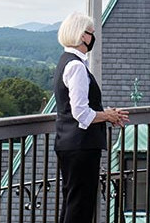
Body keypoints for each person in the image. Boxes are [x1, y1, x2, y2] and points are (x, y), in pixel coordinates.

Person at [53, 12, 129, 223]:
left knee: (72, 201)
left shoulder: (65, 61)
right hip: (81, 145)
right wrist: (107, 115)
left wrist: (105, 115)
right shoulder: (76, 66)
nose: (93, 37)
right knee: (80, 205)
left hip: (67, 142)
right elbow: (81, 113)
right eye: (91, 33)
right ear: (81, 35)